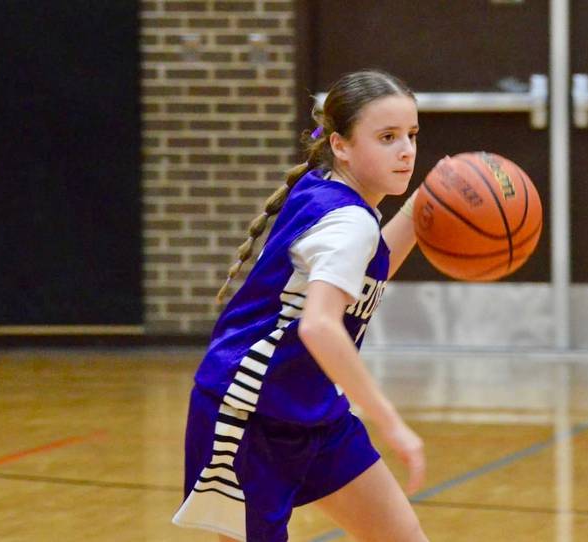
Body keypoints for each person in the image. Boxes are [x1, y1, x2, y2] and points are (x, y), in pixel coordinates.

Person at [172, 69, 428, 542]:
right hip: (248, 414)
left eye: (411, 135)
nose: (406, 150)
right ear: (341, 144)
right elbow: (320, 327)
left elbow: (356, 273)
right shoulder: (349, 222)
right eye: (388, 137)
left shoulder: (325, 189)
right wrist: (392, 424)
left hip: (313, 410)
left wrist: (421, 208)